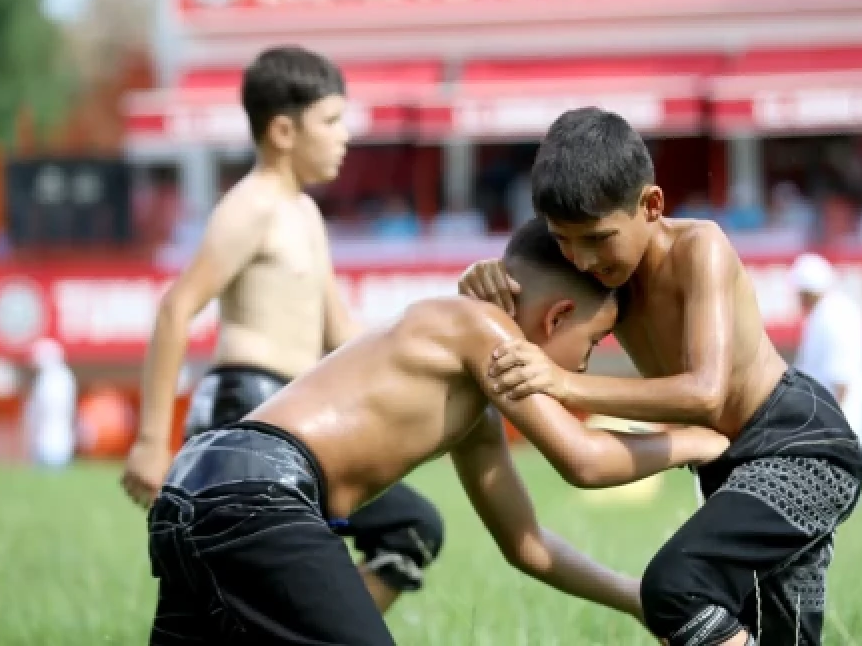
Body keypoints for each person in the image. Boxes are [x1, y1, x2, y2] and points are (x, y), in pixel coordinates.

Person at [144, 218, 730, 644]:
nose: (583, 363)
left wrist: (636, 600)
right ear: (556, 318)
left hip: (193, 487)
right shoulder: (483, 331)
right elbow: (585, 461)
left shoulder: (474, 403)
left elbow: (528, 545)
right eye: (593, 342)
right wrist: (699, 439)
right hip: (260, 495)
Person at [459, 107, 862, 646]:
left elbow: (706, 392)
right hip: (727, 464)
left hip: (799, 444)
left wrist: (562, 383)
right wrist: (485, 281)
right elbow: (529, 278)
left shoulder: (699, 249)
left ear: (651, 206)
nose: (581, 259)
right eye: (564, 240)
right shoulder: (601, 273)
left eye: (598, 238)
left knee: (676, 588)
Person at [120, 46, 446, 612]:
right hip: (244, 411)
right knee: (393, 535)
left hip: (297, 416)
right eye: (332, 121)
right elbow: (176, 309)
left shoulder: (305, 213)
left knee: (409, 530)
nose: (345, 136)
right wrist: (151, 441)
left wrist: (429, 370)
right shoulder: (251, 207)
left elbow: (340, 332)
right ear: (283, 131)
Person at [788, 253, 862, 462]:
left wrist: (830, 422)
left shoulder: (835, 315)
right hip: (828, 413)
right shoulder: (825, 313)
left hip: (838, 413)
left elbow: (841, 375)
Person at [23, 338, 77, 469]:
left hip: (51, 441)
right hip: (53, 440)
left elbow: (41, 410)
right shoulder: (61, 377)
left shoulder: (51, 379)